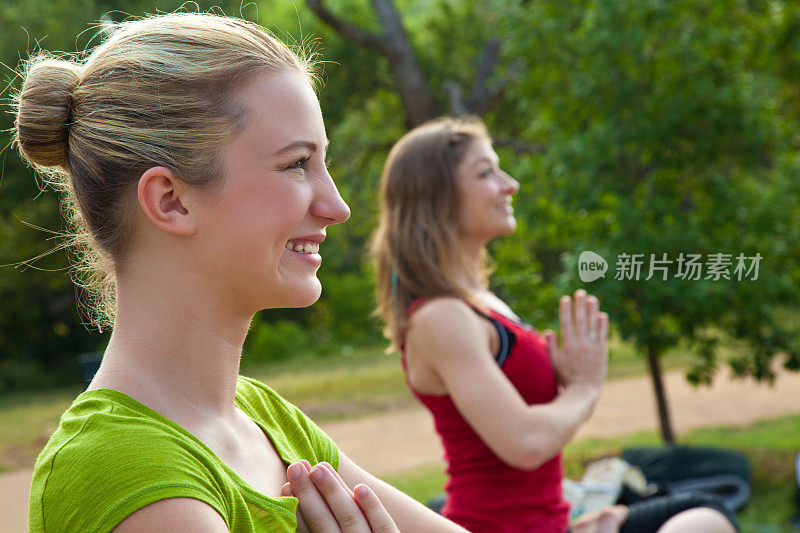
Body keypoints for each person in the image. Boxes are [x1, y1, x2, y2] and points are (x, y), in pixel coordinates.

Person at [13, 13, 467, 532]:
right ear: (171, 202)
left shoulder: (265, 422)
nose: (337, 206)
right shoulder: (122, 469)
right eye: (297, 163)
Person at [371, 116, 740, 533]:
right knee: (708, 520)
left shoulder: (477, 303)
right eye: (486, 172)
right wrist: (583, 388)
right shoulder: (440, 316)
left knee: (704, 514)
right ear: (436, 195)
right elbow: (526, 444)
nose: (510, 184)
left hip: (555, 522)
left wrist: (560, 382)